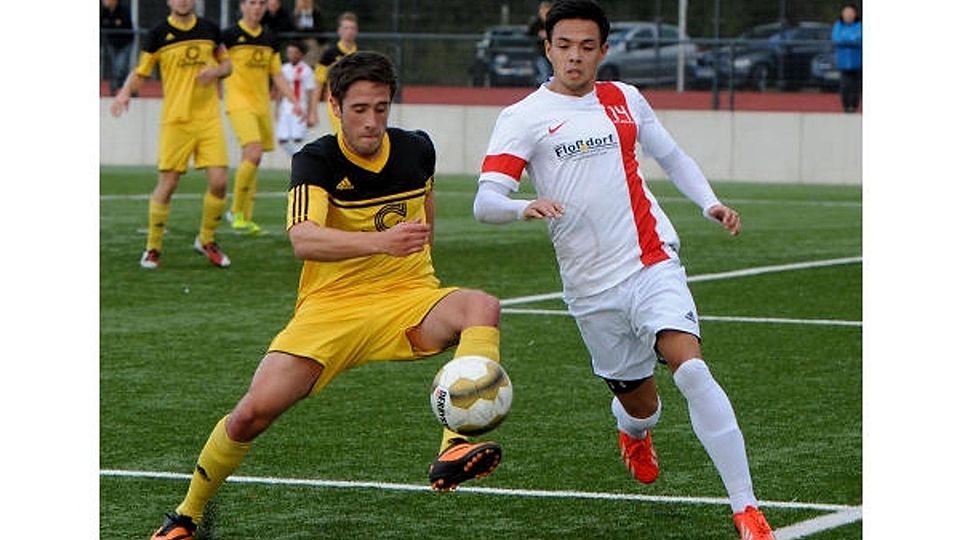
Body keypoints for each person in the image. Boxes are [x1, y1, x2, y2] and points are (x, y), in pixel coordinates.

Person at [147, 51, 506, 540]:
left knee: (480, 305)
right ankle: (186, 516)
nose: (372, 121)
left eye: (381, 108)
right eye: (360, 109)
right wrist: (381, 241)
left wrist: (421, 264)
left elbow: (426, 208)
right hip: (330, 309)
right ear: (334, 105)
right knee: (252, 413)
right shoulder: (315, 160)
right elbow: (303, 238)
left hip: (407, 295)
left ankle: (452, 446)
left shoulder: (417, 149)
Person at [473, 2, 775, 539]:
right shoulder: (522, 117)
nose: (575, 56)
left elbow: (673, 157)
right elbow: (486, 201)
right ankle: (633, 431)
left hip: (652, 260)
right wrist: (523, 206)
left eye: (587, 47)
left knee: (692, 367)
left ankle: (747, 508)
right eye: (564, 45)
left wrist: (708, 203)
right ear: (547, 47)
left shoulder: (624, 99)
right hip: (590, 289)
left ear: (603, 51)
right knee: (641, 403)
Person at [110, 0, 233, 269]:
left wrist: (214, 71)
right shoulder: (157, 34)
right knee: (168, 184)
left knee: (220, 182)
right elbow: (141, 72)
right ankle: (153, 248)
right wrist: (123, 93)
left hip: (208, 119)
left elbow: (228, 66)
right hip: (176, 122)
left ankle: (206, 240)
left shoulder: (211, 29)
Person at [222, 0, 305, 236]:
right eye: (252, 3)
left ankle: (245, 218)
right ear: (242, 6)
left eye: (261, 3)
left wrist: (294, 100)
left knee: (252, 159)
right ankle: (235, 211)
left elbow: (277, 74)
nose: (257, 7)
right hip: (238, 104)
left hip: (261, 106)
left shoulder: (269, 38)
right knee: (254, 152)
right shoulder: (229, 36)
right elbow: (216, 62)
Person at [309, 11, 359, 134]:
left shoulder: (360, 55)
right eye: (346, 28)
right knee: (343, 134)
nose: (349, 31)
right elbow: (319, 83)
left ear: (356, 31)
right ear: (339, 31)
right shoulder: (329, 55)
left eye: (352, 28)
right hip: (336, 103)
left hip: (357, 102)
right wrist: (313, 111)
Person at [276, 41, 317, 158]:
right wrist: (277, 107)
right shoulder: (283, 68)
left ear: (301, 54)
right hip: (285, 108)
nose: (291, 55)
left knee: (297, 138)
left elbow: (311, 93)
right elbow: (280, 90)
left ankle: (300, 164)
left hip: (300, 108)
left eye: (295, 52)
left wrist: (311, 113)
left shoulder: (306, 70)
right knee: (282, 139)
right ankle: (300, 161)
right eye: (289, 52)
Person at [832, 3, 862, 113]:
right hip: (843, 62)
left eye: (850, 13)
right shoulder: (838, 25)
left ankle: (854, 106)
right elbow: (836, 38)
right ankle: (846, 107)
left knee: (856, 86)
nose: (848, 15)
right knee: (845, 86)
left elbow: (860, 39)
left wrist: (846, 39)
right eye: (846, 12)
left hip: (858, 62)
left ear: (855, 14)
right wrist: (851, 39)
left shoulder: (860, 26)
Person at [100, 0, 135, 95]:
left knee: (121, 66)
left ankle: (122, 88)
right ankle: (119, 87)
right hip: (112, 43)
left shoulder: (123, 10)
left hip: (125, 43)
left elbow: (125, 25)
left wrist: (111, 24)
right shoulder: (104, 11)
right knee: (116, 66)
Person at [291, 0, 324, 66]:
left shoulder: (315, 13)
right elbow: (293, 28)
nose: (303, 3)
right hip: (300, 42)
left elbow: (319, 27)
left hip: (312, 41)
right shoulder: (296, 14)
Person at [526, 1, 553, 85]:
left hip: (553, 53)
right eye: (543, 10)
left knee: (553, 75)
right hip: (540, 53)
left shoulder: (553, 21)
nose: (544, 13)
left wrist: (548, 34)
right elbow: (528, 34)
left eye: (547, 11)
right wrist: (538, 34)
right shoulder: (536, 22)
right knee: (544, 74)